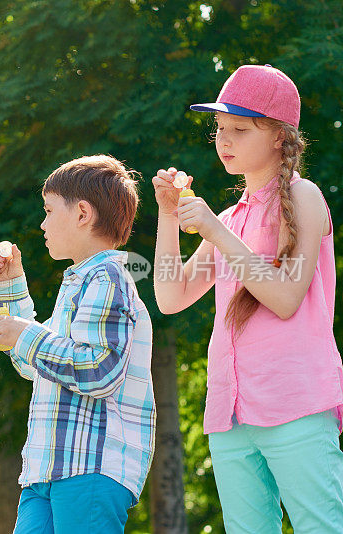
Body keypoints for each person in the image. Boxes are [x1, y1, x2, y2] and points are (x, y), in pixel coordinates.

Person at [152, 64, 343, 532]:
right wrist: (166, 217)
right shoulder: (230, 217)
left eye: (239, 128)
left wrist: (215, 231)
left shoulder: (305, 197)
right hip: (231, 413)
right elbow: (169, 295)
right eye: (219, 128)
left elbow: (284, 298)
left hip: (294, 405)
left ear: (279, 136)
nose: (224, 139)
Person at [0, 155, 155, 533]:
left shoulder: (108, 277)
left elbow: (98, 372)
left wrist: (24, 335)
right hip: (47, 467)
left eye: (47, 210)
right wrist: (11, 287)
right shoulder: (77, 283)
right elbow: (36, 365)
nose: (41, 223)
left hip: (91, 466)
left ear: (82, 214)